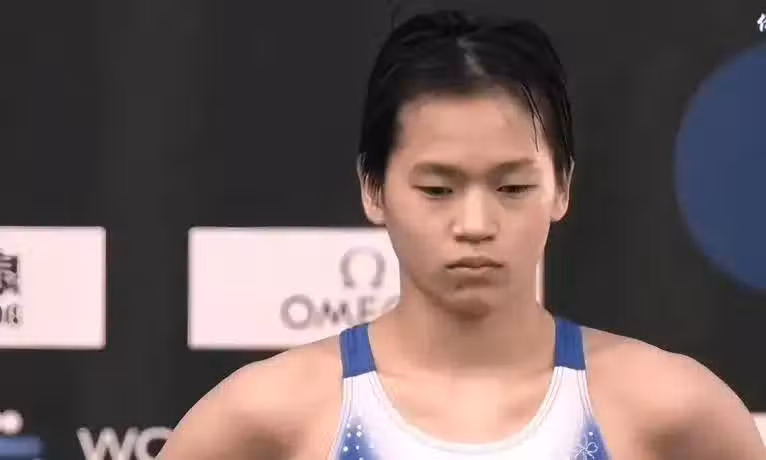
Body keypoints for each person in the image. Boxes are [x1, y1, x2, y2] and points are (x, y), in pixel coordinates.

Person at [159, 10, 766, 459]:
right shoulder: (270, 416)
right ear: (374, 189)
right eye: (437, 189)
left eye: (512, 187)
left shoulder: (673, 411)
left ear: (561, 188)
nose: (475, 225)